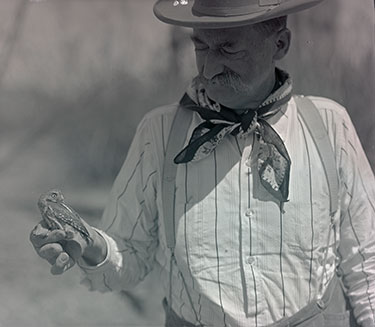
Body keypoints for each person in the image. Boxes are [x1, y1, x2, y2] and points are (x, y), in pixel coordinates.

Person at [30, 0, 375, 326]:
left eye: (228, 48)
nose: (209, 68)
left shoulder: (329, 126)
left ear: (280, 44)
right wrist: (89, 246)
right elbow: (129, 253)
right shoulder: (160, 133)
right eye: (201, 46)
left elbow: (367, 265)